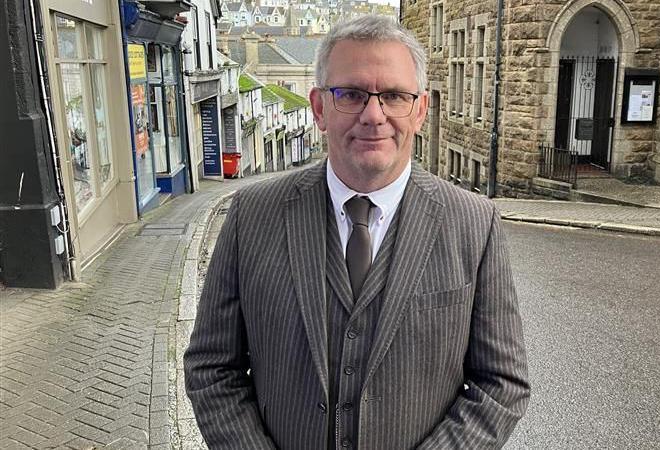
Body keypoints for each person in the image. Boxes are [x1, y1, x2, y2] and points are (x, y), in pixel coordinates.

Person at [184, 14, 530, 449]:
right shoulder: (252, 215)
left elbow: (501, 384)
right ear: (318, 107)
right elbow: (212, 367)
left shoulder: (474, 224)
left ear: (420, 110)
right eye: (350, 94)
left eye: (394, 96)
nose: (373, 115)